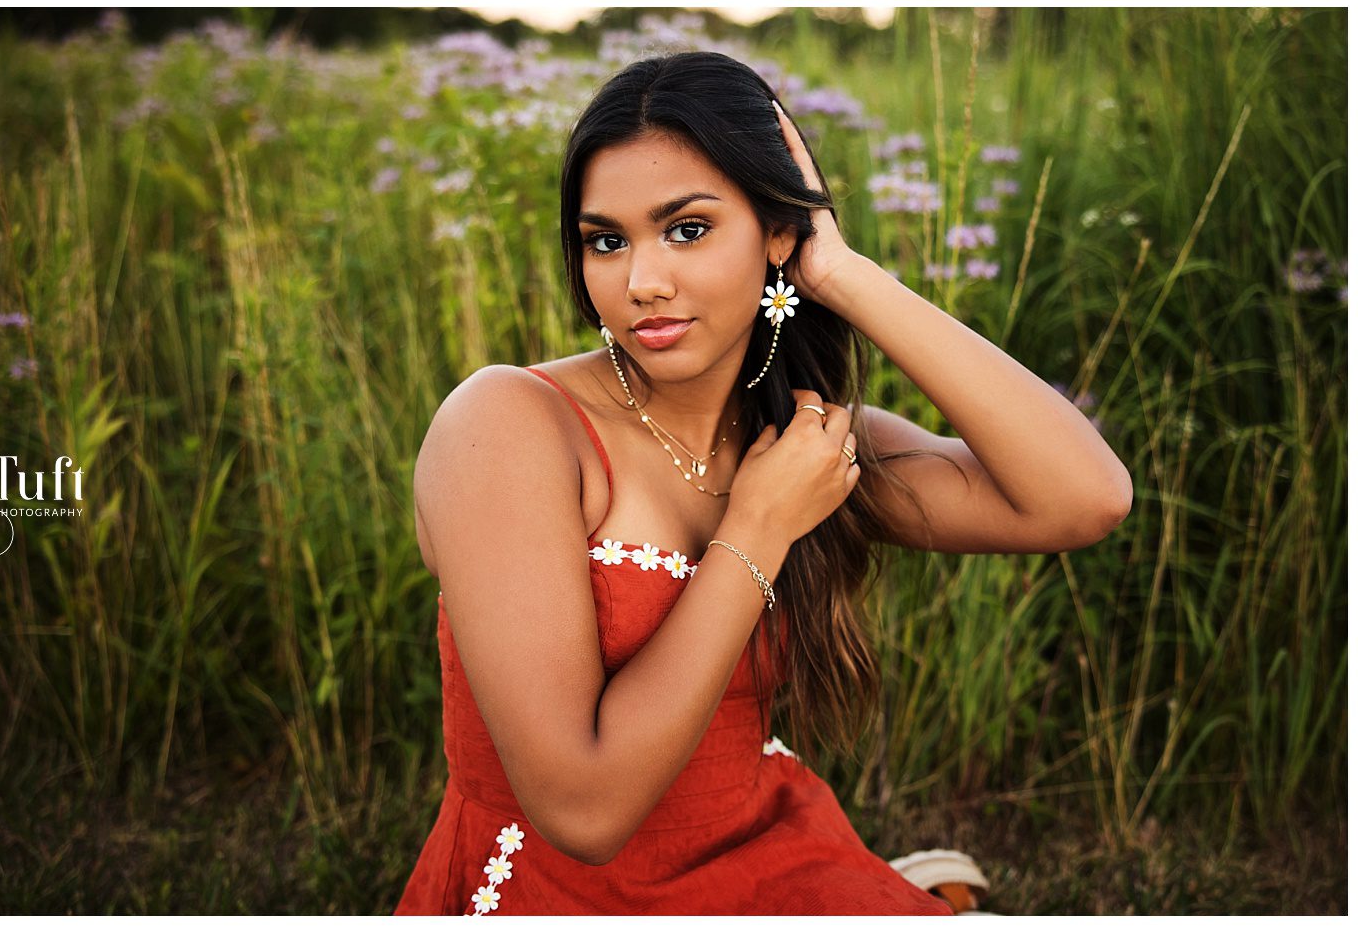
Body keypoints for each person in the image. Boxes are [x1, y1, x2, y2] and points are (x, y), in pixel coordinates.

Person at [394, 52, 1130, 915]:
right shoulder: (508, 426)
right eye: (606, 240)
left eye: (688, 229)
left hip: (768, 856)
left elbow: (1085, 497)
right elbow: (580, 812)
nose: (642, 283)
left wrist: (841, 273)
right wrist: (756, 530)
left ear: (778, 233)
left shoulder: (799, 443)